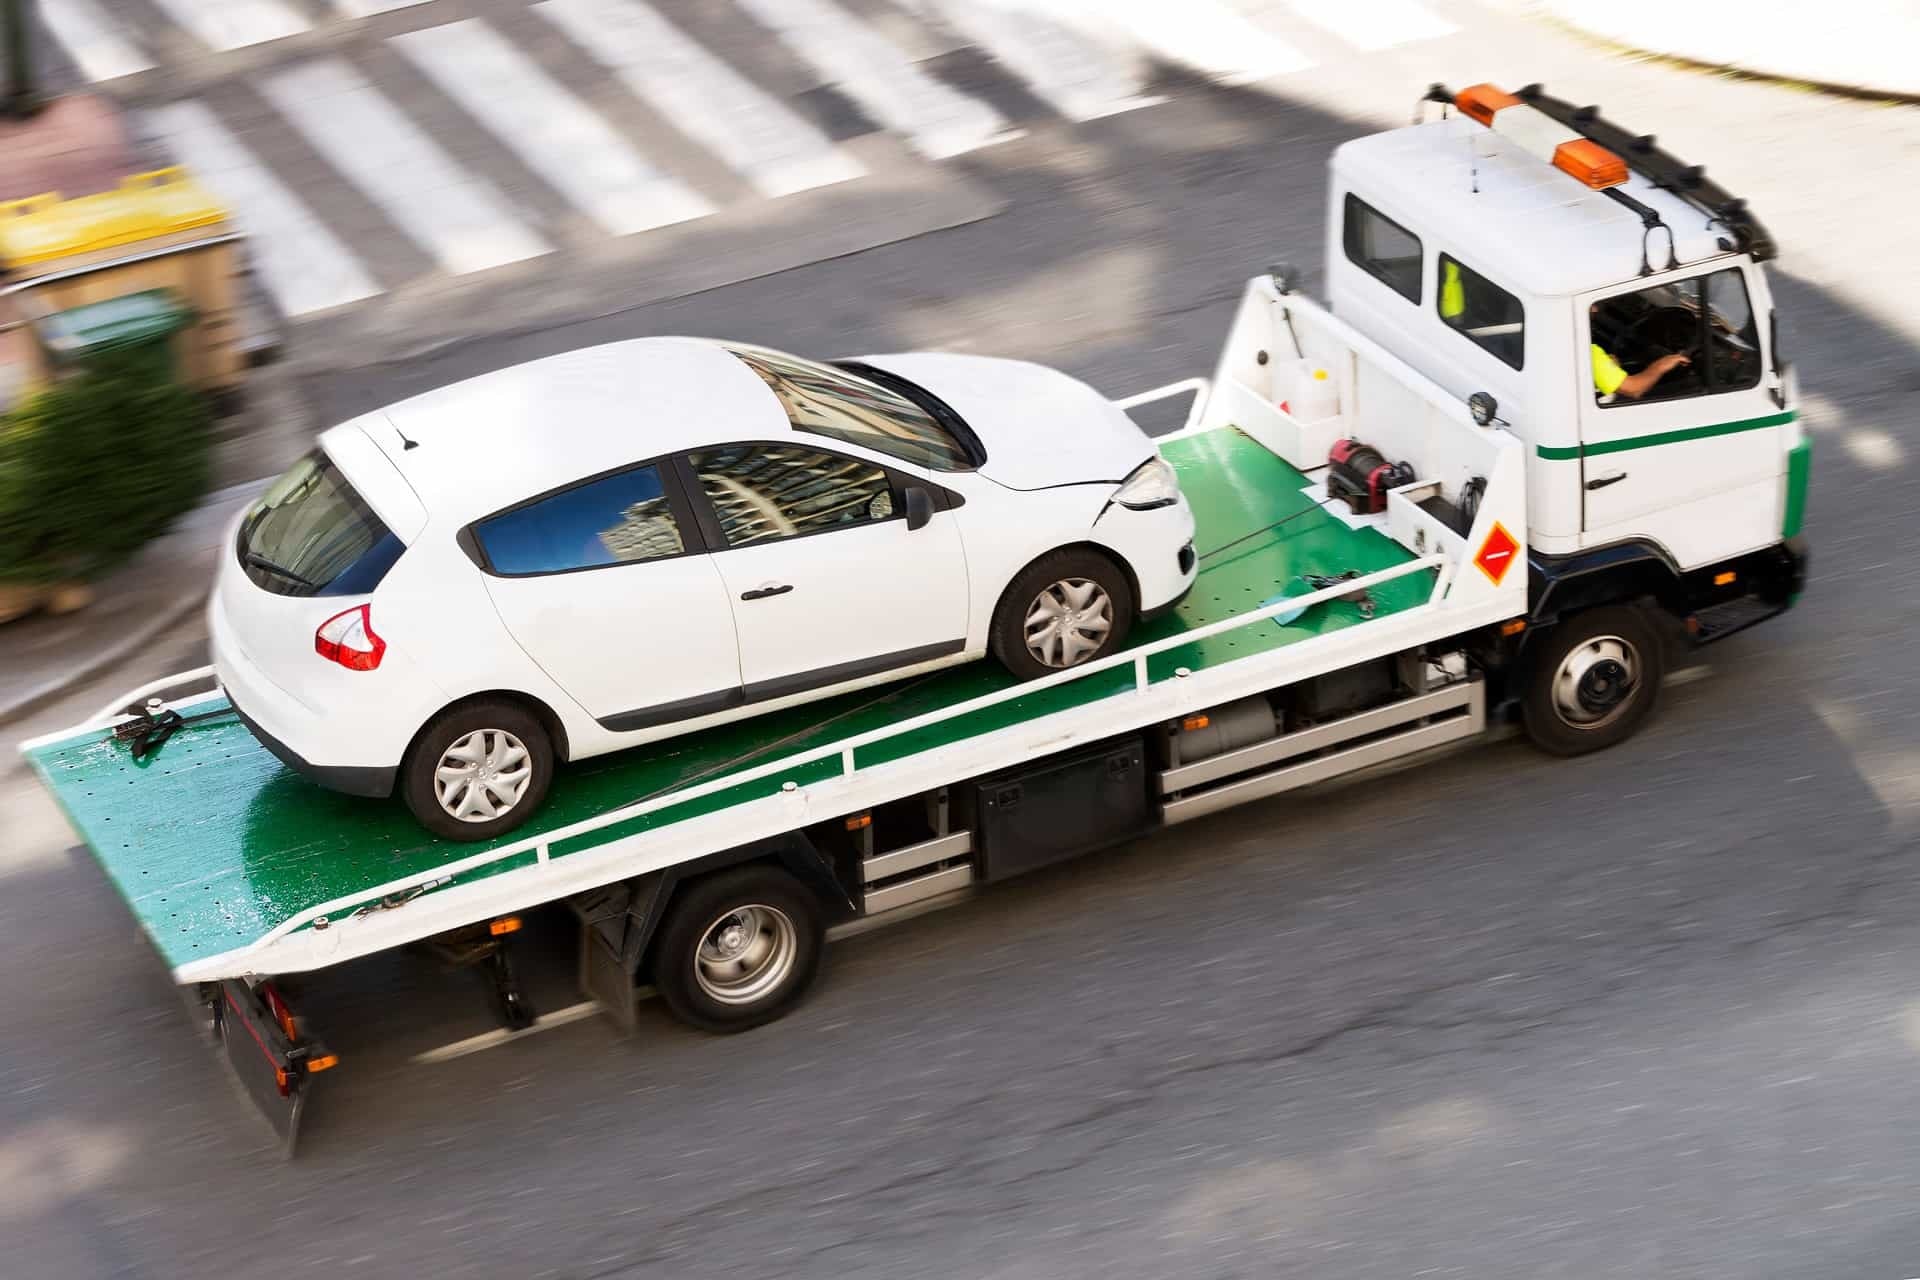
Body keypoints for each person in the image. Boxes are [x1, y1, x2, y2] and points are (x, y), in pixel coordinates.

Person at [1591, 343, 1689, 402]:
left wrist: (1609, 367)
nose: (1595, 310)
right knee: (1688, 386)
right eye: (1593, 307)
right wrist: (1662, 364)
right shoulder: (1589, 351)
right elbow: (1634, 389)